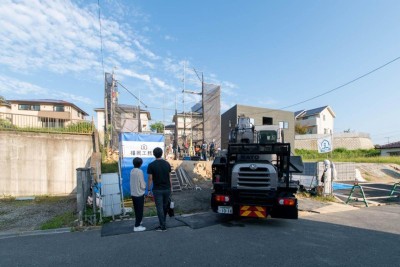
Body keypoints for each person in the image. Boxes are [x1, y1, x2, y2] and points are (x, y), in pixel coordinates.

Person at [147, 147, 172, 232]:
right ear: (162, 153)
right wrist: (171, 188)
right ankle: (163, 222)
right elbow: (169, 177)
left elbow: (150, 178)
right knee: (165, 206)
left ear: (154, 154)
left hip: (157, 190)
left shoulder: (151, 165)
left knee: (159, 208)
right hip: (167, 188)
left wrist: (149, 190)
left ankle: (162, 226)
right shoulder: (167, 164)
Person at [130, 157, 146, 232]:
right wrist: (144, 187)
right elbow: (142, 184)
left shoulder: (132, 171)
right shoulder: (140, 171)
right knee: (140, 210)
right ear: (140, 164)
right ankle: (137, 226)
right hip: (139, 194)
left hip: (133, 194)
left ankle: (139, 221)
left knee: (136, 210)